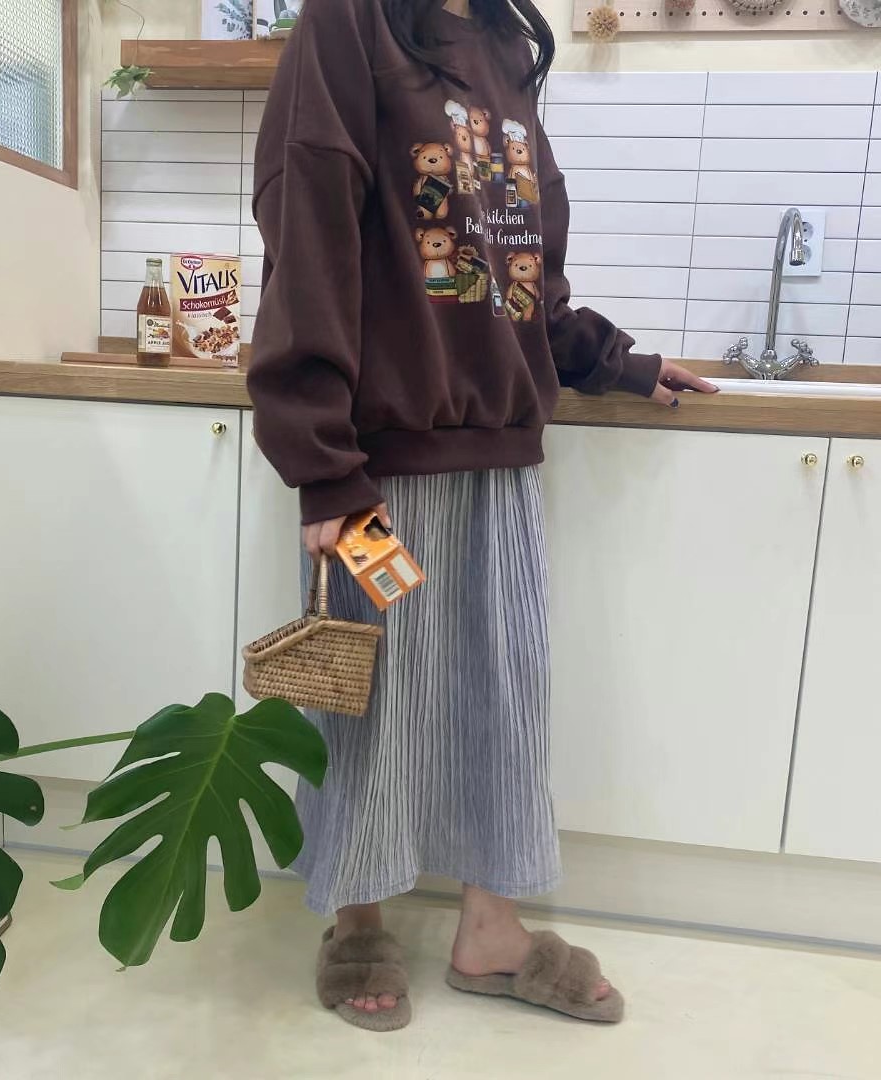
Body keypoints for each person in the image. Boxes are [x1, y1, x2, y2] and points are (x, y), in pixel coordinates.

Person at [248, 0, 717, 1033]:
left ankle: (490, 933)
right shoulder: (350, 23)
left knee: (502, 693)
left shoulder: (505, 48)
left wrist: (617, 362)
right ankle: (357, 919)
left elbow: (524, 270)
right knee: (369, 697)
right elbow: (306, 224)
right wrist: (321, 463)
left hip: (500, 456)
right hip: (379, 463)